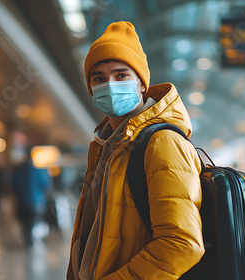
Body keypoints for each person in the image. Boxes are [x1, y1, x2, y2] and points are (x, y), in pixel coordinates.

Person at [67, 21, 204, 279]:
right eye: (99, 78)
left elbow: (182, 243)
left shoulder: (163, 142)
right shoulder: (106, 146)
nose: (110, 85)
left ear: (141, 84)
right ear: (91, 89)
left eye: (121, 75)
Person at [12, 153, 52, 248]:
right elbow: (46, 185)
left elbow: (15, 186)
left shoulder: (19, 172)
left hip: (23, 202)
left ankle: (27, 238)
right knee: (32, 222)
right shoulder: (38, 171)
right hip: (36, 202)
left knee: (25, 222)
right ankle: (30, 239)